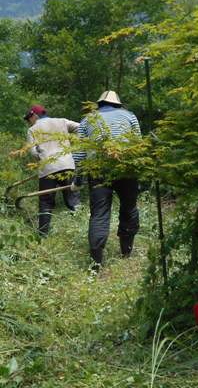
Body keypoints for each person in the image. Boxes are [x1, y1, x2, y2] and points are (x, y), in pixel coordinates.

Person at [72, 91, 142, 269]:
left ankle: (96, 263)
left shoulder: (87, 120)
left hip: (98, 171)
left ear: (99, 104)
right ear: (117, 104)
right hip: (126, 168)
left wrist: (78, 180)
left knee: (99, 214)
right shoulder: (130, 116)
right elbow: (139, 147)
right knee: (129, 208)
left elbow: (79, 154)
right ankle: (126, 252)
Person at [24, 104, 80, 237]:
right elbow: (81, 128)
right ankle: (81, 227)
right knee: (72, 198)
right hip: (67, 165)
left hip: (48, 168)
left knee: (45, 202)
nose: (28, 121)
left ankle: (43, 235)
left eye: (28, 118)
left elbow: (32, 152)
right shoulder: (62, 121)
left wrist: (43, 156)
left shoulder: (32, 130)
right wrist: (73, 145)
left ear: (34, 115)